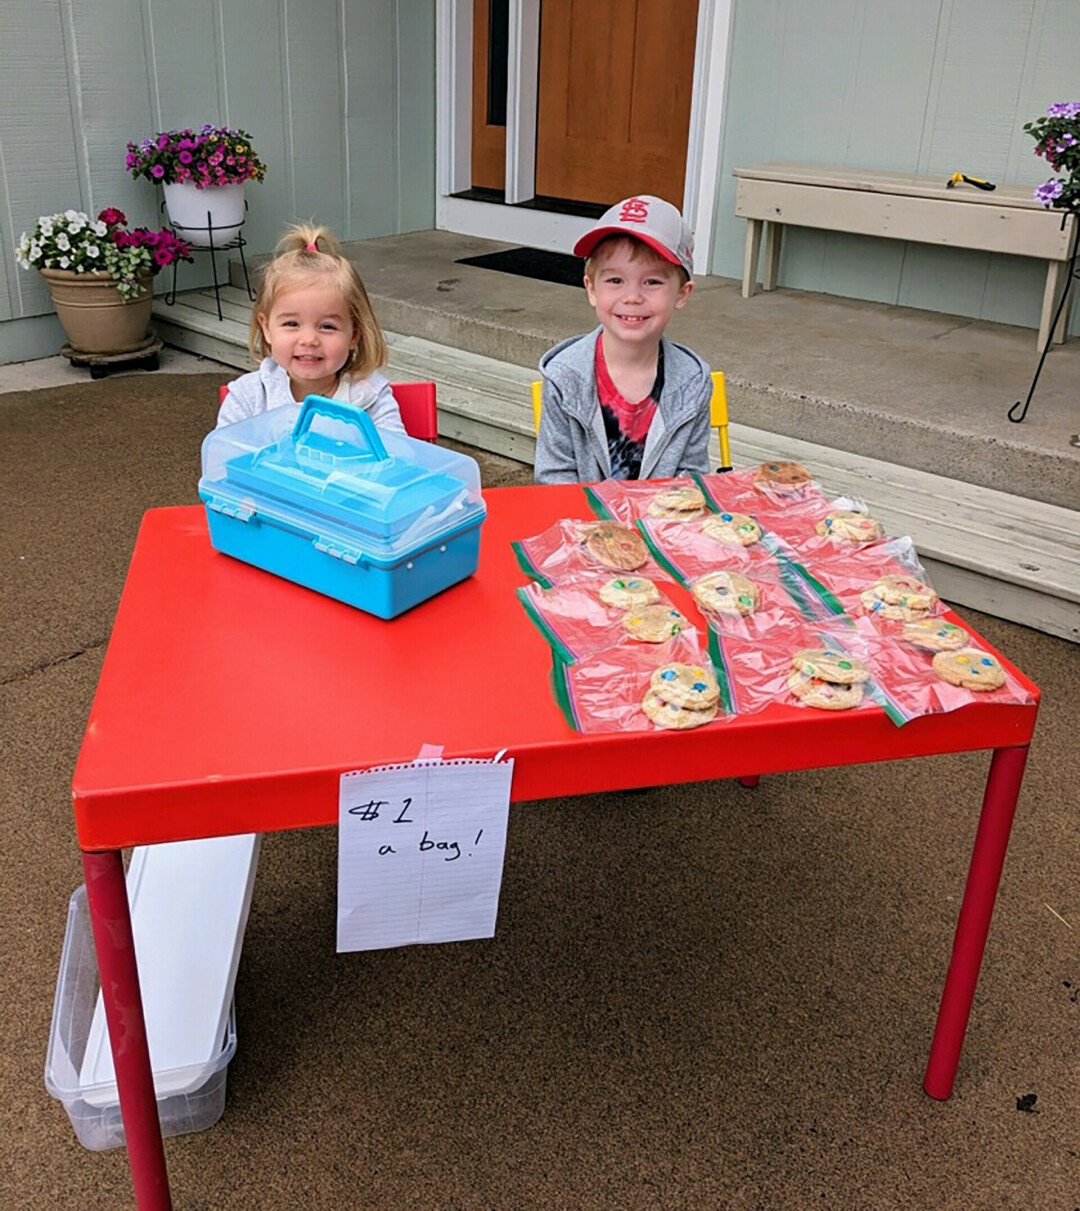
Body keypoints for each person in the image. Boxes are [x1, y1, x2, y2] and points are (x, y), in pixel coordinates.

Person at [534, 195, 712, 484]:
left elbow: (690, 480)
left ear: (682, 293)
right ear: (591, 289)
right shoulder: (564, 377)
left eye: (652, 282)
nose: (632, 297)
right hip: (584, 525)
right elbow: (554, 479)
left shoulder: (693, 381)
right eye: (615, 281)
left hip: (659, 524)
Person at [217, 223, 405, 432]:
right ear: (267, 329)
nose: (308, 340)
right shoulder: (249, 397)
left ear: (354, 334)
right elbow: (223, 458)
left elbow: (396, 457)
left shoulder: (370, 396)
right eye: (291, 324)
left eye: (327, 326)